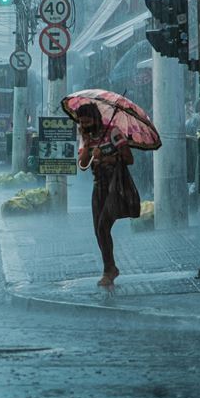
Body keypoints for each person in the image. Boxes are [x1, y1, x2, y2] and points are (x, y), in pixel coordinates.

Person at [76, 103, 134, 288]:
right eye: (81, 123)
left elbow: (128, 158)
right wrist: (86, 145)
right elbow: (83, 165)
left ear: (95, 119)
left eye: (87, 122)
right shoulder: (86, 137)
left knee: (103, 227)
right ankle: (110, 268)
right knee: (99, 231)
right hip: (98, 186)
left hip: (115, 186)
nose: (84, 125)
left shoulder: (113, 133)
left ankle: (109, 270)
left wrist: (106, 157)